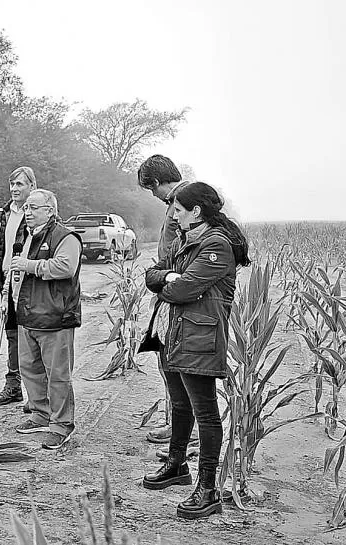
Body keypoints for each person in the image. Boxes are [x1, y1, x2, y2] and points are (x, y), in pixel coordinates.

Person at [139, 181, 250, 520]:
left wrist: (169, 281)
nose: (173, 214)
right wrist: (169, 276)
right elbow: (152, 274)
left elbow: (182, 290)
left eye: (179, 209)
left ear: (196, 212)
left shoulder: (216, 244)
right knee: (179, 403)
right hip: (176, 333)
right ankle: (176, 465)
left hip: (199, 338)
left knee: (206, 413)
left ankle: (208, 489)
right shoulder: (185, 240)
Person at [6, 189, 82, 450]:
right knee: (29, 368)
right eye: (26, 208)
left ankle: (61, 425)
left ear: (49, 211)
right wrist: (9, 302)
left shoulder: (65, 236)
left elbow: (65, 267)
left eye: (34, 208)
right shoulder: (26, 236)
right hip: (27, 315)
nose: (27, 212)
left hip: (55, 317)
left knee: (58, 374)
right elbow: (16, 273)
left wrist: (31, 266)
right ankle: (40, 413)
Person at [137, 154, 191, 445]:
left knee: (173, 360)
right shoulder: (177, 201)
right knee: (166, 358)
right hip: (168, 286)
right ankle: (176, 422)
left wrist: (167, 278)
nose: (153, 195)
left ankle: (184, 427)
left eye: (151, 188)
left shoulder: (182, 200)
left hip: (174, 289)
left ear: (156, 182)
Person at [0, 166, 37, 409]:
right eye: (12, 184)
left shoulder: (37, 212)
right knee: (11, 333)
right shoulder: (6, 212)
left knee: (29, 335)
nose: (14, 189)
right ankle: (13, 385)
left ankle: (35, 393)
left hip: (27, 282)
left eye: (20, 184)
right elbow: (4, 246)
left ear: (32, 186)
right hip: (7, 279)